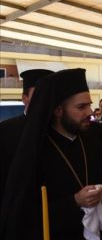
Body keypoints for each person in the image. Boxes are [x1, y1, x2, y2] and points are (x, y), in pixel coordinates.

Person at [0, 69, 102, 240]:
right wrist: (74, 202)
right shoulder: (33, 150)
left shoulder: (93, 139)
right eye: (81, 107)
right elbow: (21, 214)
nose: (90, 112)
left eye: (89, 105)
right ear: (57, 110)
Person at [0, 69, 53, 206]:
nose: (45, 100)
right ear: (25, 98)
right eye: (39, 95)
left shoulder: (57, 129)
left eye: (49, 95)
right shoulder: (5, 130)